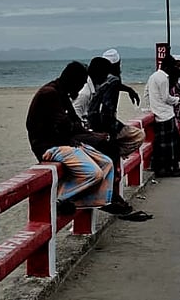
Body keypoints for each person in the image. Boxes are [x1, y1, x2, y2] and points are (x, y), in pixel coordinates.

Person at [26, 62, 117, 211]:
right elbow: (66, 125)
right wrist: (90, 135)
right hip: (48, 146)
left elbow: (74, 121)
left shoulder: (61, 92)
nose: (81, 89)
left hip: (63, 142)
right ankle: (58, 198)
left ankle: (90, 200)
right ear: (73, 81)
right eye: (81, 84)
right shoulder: (49, 93)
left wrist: (92, 135)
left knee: (107, 163)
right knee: (94, 173)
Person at [86, 56, 149, 217]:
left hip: (99, 126)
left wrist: (128, 89)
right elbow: (105, 111)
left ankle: (111, 193)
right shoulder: (110, 81)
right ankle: (108, 196)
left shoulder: (104, 82)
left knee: (112, 158)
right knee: (136, 137)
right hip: (101, 127)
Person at [144, 56, 180, 177]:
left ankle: (173, 167)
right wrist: (177, 100)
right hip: (165, 114)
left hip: (159, 112)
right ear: (168, 67)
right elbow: (166, 98)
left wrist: (150, 107)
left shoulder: (154, 76)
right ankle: (171, 169)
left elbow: (146, 92)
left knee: (169, 144)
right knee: (170, 145)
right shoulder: (164, 78)